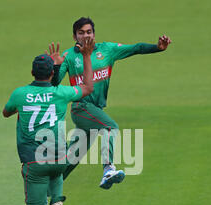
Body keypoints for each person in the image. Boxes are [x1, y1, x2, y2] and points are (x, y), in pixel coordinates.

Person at [3, 38, 94, 205]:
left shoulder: (20, 93)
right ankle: (57, 204)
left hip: (34, 163)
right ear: (52, 74)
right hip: (58, 159)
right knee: (56, 166)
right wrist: (86, 56)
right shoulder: (60, 93)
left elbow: (6, 112)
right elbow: (87, 87)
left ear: (32, 72)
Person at [48, 17, 172, 189]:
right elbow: (54, 84)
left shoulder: (107, 49)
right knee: (110, 127)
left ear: (94, 33)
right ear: (74, 36)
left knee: (74, 156)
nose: (86, 36)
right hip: (81, 108)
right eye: (81, 33)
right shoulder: (69, 57)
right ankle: (108, 169)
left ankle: (46, 189)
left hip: (95, 109)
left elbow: (135, 48)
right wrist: (55, 66)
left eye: (89, 32)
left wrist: (157, 48)